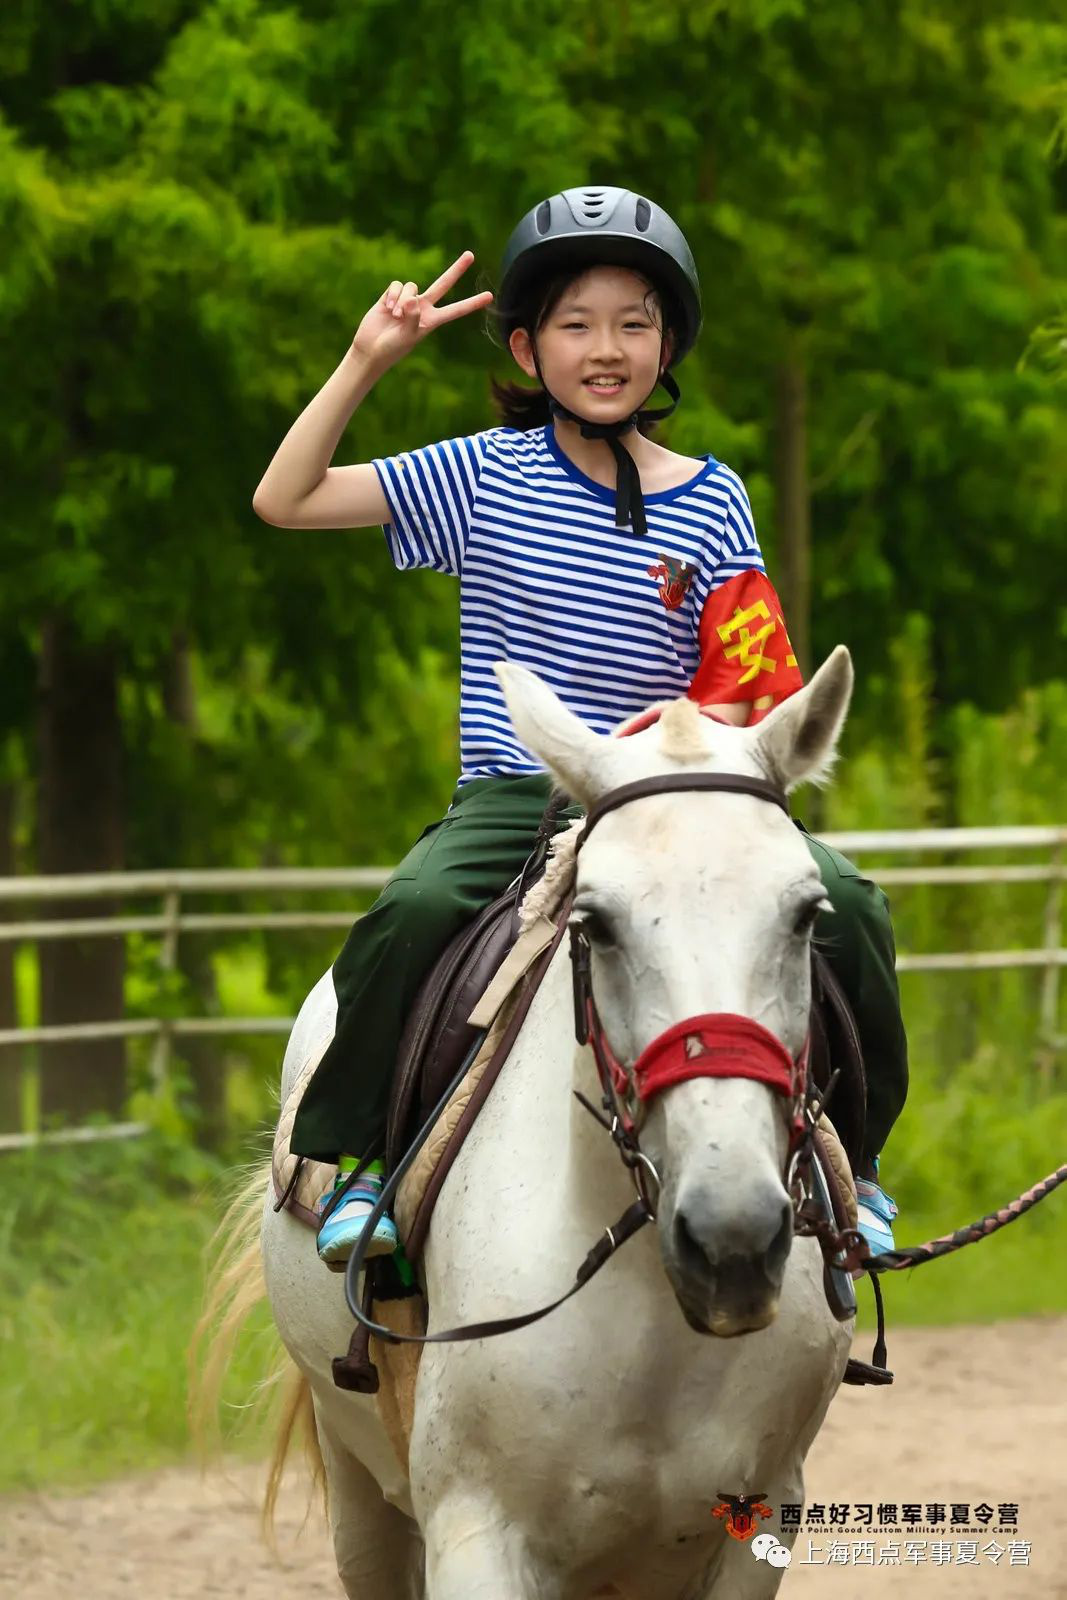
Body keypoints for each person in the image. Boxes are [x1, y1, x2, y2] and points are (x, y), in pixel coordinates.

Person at [252, 187, 906, 1268]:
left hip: (673, 798)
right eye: (575, 323)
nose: (605, 349)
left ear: (667, 344)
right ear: (525, 344)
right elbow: (287, 498)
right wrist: (369, 359)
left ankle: (858, 1167)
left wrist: (700, 743)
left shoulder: (713, 498)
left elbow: (744, 675)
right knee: (414, 907)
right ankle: (361, 1156)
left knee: (846, 905)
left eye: (633, 322)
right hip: (521, 792)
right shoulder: (476, 473)